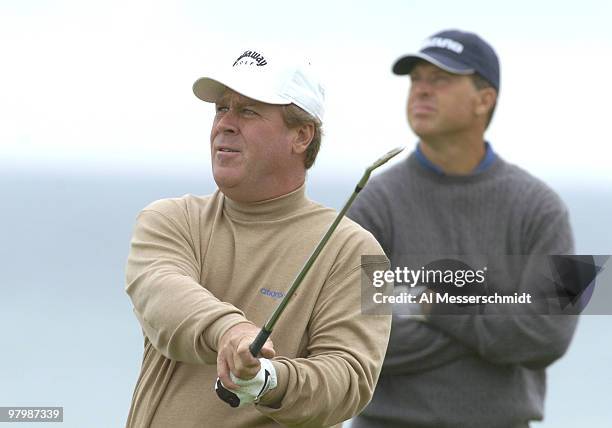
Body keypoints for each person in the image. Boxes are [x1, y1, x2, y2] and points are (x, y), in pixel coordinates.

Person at [123, 48, 391, 428]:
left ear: (301, 135)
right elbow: (162, 294)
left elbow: (351, 381)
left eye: (248, 111)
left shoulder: (366, 256)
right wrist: (230, 330)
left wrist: (268, 381)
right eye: (221, 109)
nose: (225, 124)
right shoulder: (167, 219)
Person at [348, 30, 578, 428]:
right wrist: (497, 314)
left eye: (440, 80)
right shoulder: (372, 203)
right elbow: (355, 337)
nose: (421, 90)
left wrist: (430, 306)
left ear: (484, 100)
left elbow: (549, 335)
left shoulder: (545, 208)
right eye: (416, 79)